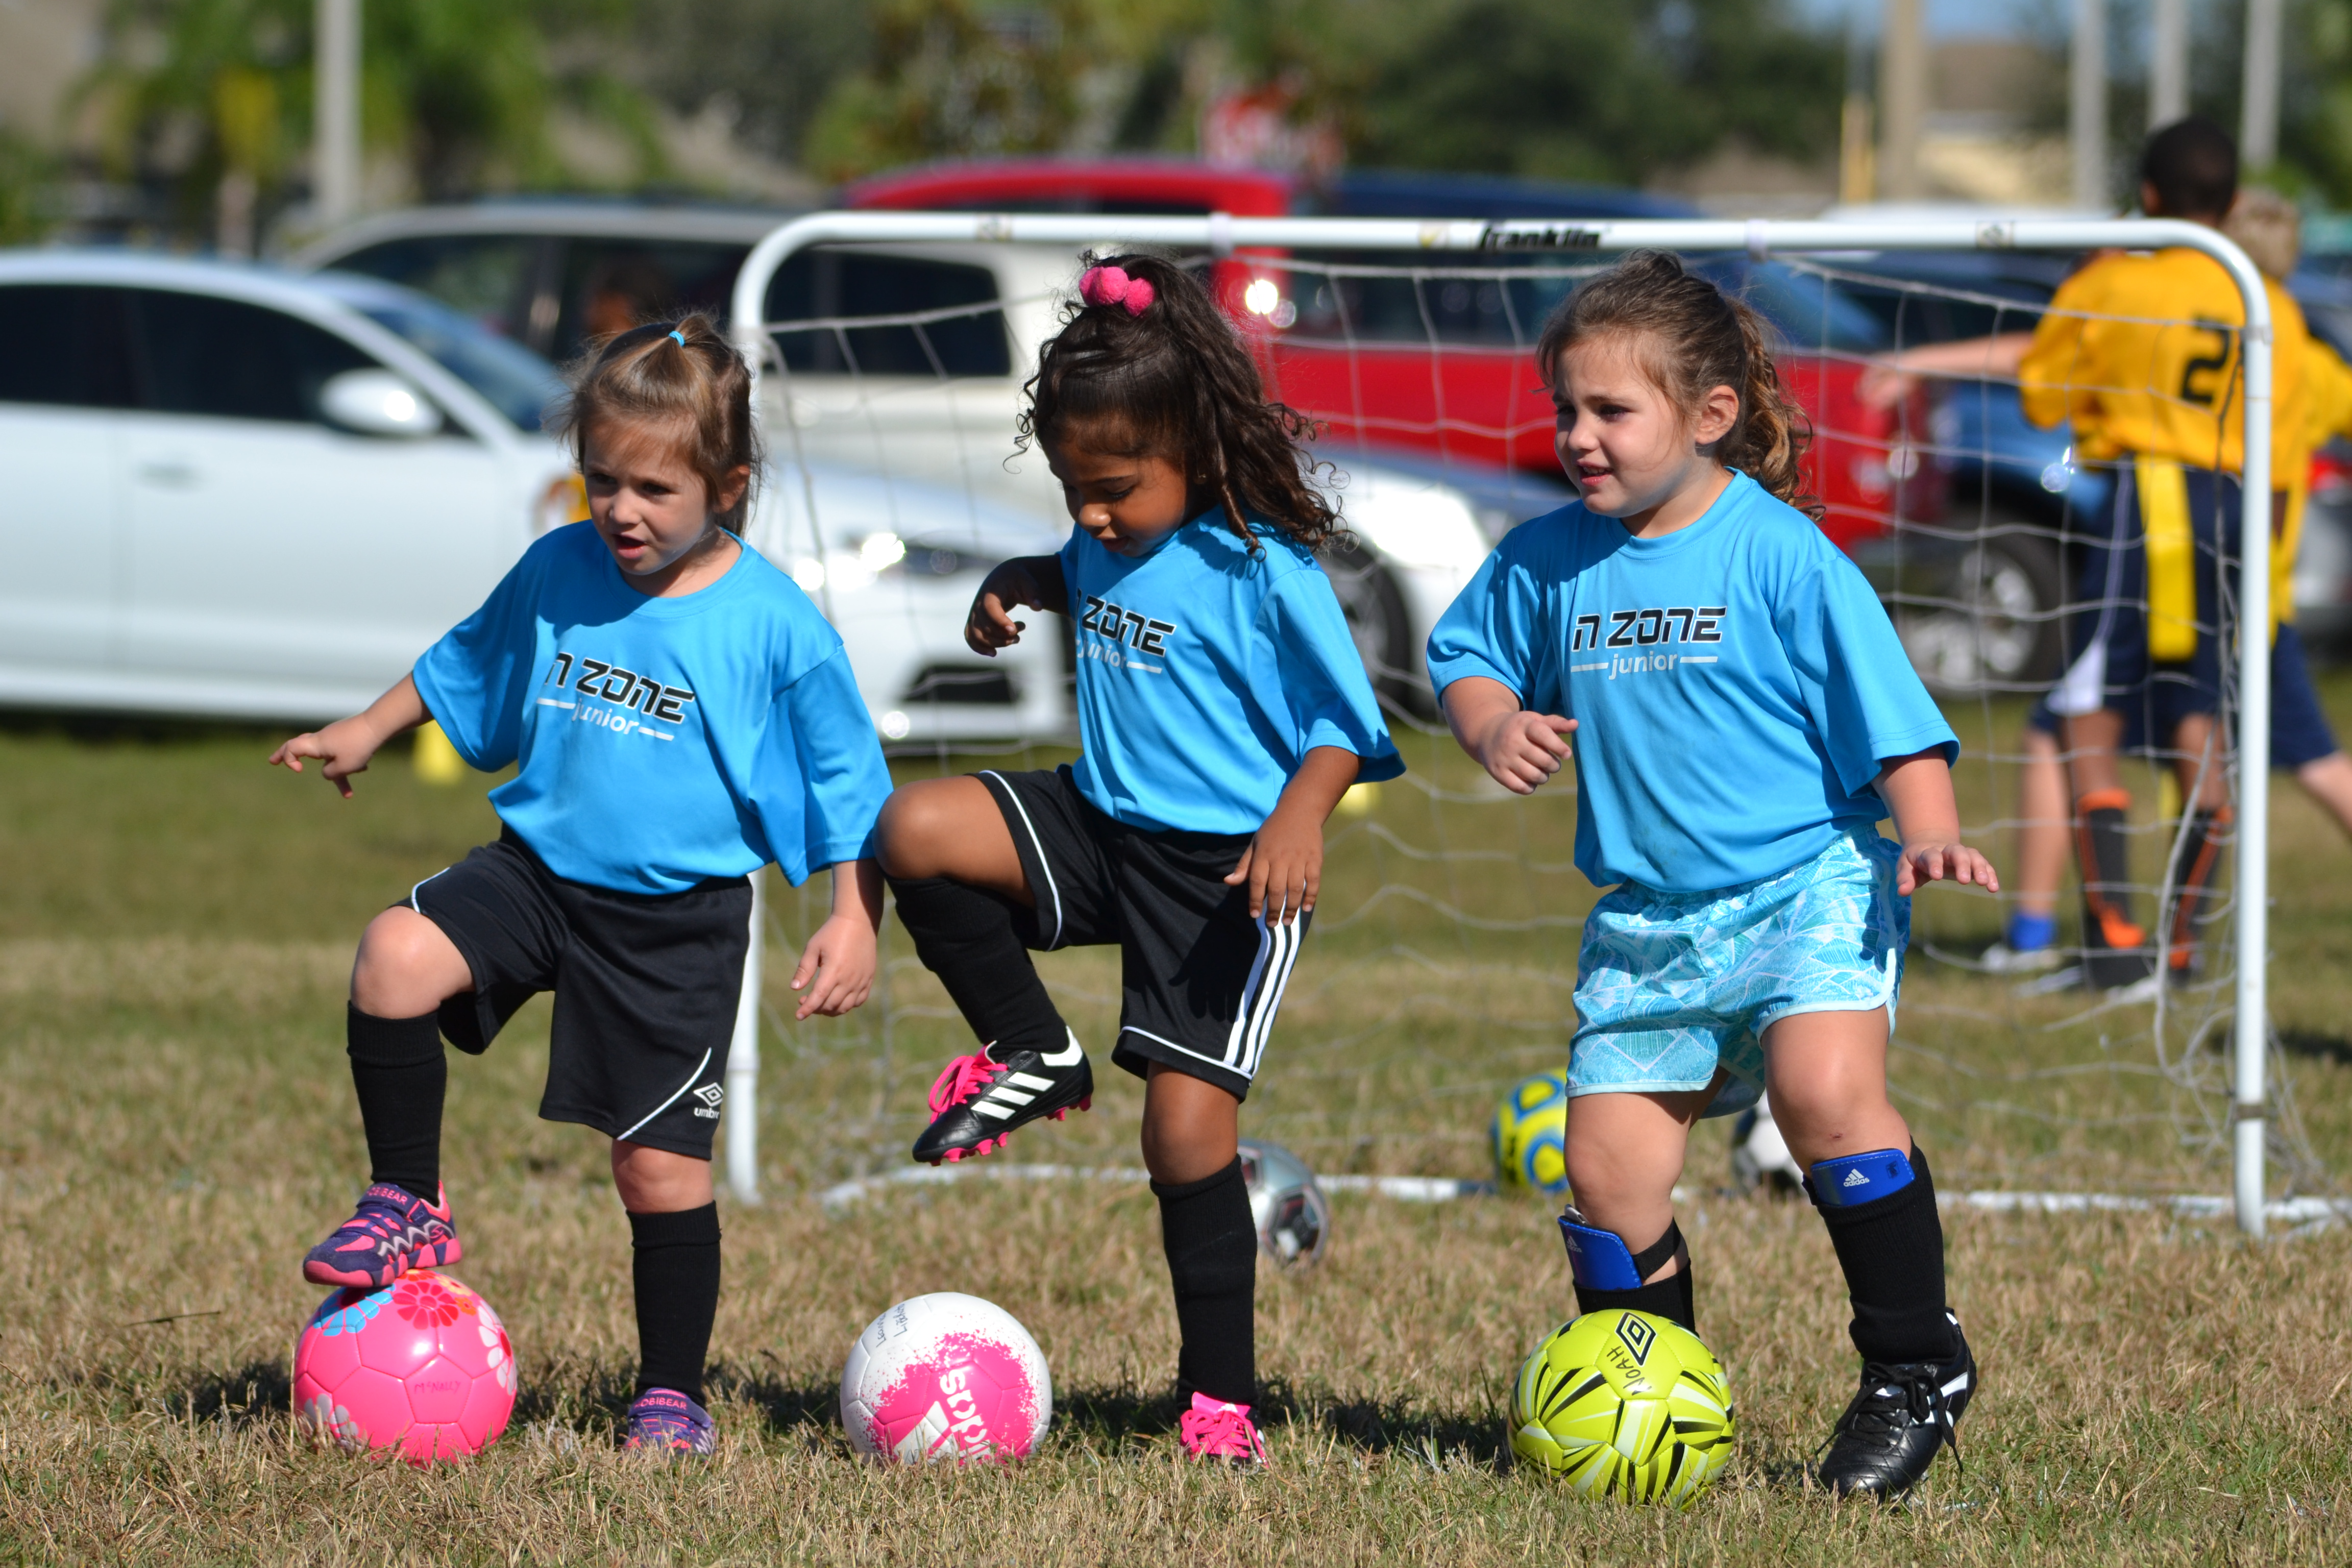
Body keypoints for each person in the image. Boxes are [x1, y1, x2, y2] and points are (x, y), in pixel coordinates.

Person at [1427, 250, 1997, 1498]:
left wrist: (1932, 827)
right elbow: (1465, 654)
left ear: (1710, 415)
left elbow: (1893, 720)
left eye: (1611, 412)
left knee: (1827, 1099)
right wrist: (1488, 724)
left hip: (1807, 886)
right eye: (1566, 409)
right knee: (1608, 1175)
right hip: (1648, 924)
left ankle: (1914, 1366)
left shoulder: (1784, 557)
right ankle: (1653, 1395)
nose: (1579, 436)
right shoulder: (1547, 558)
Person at [270, 316, 892, 1455]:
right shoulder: (563, 565)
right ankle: (408, 1201)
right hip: (538, 876)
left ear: (730, 486)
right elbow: (471, 654)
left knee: (655, 1172)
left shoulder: (774, 626)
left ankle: (669, 1392)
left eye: (654, 487)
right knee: (394, 953)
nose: (621, 510)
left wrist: (852, 913)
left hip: (674, 924)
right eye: (600, 478)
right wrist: (367, 727)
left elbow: (847, 779)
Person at [874, 255, 1403, 1465]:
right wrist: (1026, 581)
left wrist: (1301, 820)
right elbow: (1091, 571)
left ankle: (1219, 1399)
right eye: (1072, 492)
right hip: (1103, 824)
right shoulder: (1104, 538)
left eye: (1113, 489)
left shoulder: (1263, 566)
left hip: (1228, 877)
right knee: (913, 832)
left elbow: (1345, 727)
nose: (1093, 516)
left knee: (1182, 1141)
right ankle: (1034, 1050)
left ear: (1199, 450)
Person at [1859, 117, 2310, 989]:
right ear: (2229, 200)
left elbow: (2042, 395)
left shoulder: (2118, 284)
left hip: (2154, 507)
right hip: (2237, 514)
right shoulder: (2266, 301)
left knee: (2081, 718)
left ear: (2145, 199)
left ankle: (2111, 945)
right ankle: (2180, 953)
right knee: (2197, 716)